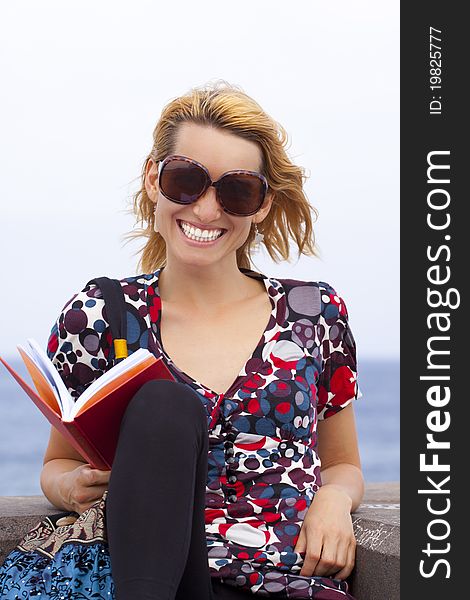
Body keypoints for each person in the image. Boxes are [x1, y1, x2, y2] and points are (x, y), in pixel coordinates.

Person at [0, 80, 364, 599]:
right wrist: (69, 486)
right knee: (164, 404)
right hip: (149, 577)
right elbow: (57, 464)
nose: (208, 210)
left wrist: (333, 499)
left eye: (237, 191)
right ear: (154, 178)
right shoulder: (101, 313)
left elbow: (343, 463)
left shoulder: (314, 313)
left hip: (282, 580)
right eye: (186, 180)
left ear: (261, 205)